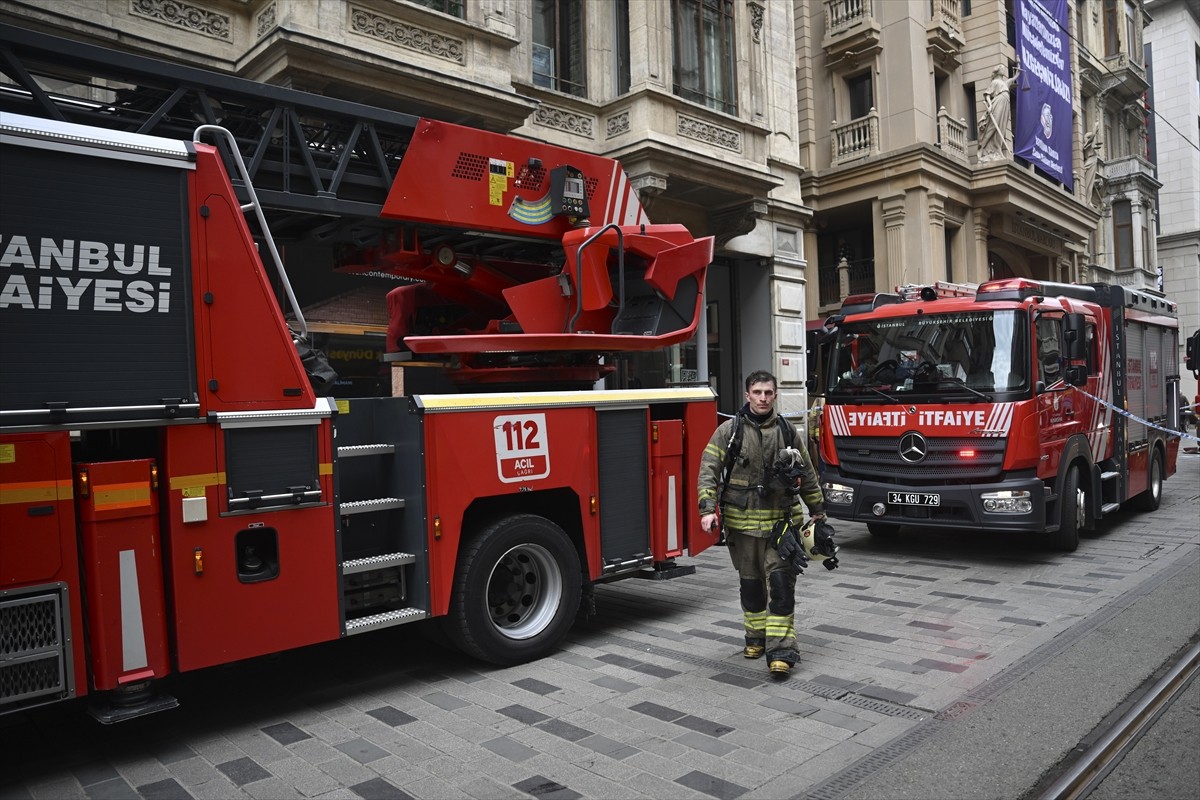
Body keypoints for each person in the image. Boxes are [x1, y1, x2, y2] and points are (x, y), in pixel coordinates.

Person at [696, 371, 827, 679]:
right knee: (751, 585)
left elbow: (807, 471)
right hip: (741, 526)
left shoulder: (787, 432)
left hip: (781, 525)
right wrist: (707, 509)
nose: (763, 398)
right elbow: (708, 469)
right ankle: (755, 637)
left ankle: (781, 652)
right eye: (757, 392)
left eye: (768, 392)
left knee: (781, 585)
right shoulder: (729, 431)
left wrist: (817, 508)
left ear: (775, 395)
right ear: (748, 395)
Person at [978, 63, 1019, 162]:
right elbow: (987, 94)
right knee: (993, 126)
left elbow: (1015, 77)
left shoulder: (1005, 83)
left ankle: (997, 149)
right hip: (998, 102)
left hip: (1005, 104)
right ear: (997, 71)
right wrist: (990, 105)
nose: (1004, 70)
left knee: (1001, 127)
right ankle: (982, 147)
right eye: (1002, 68)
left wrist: (1019, 64)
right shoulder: (995, 82)